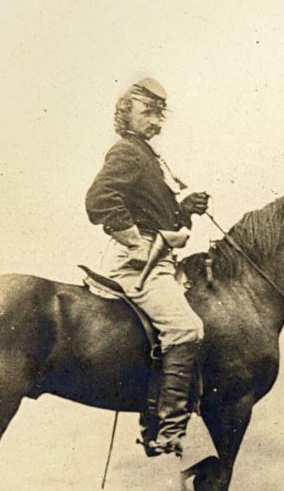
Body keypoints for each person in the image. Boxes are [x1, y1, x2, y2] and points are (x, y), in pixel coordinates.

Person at [85, 78, 211, 455]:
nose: (155, 121)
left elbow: (154, 213)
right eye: (147, 112)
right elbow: (99, 200)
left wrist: (184, 209)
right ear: (126, 115)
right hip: (138, 264)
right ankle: (168, 430)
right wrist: (135, 242)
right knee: (187, 328)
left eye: (160, 114)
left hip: (158, 259)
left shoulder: (147, 155)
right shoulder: (127, 152)